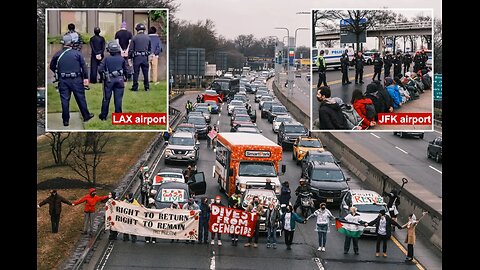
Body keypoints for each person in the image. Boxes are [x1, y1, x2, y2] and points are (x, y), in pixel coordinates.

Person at [49, 34, 94, 126]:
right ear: (72, 43)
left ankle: (65, 120)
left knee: (65, 100)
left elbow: (52, 66)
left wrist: (59, 73)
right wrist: (85, 78)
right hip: (76, 80)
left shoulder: (57, 54)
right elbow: (84, 68)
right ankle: (86, 116)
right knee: (80, 98)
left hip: (63, 80)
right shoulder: (77, 54)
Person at [98, 41, 128, 121]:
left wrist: (102, 77)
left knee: (106, 98)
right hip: (120, 80)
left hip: (109, 80)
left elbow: (100, 69)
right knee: (118, 99)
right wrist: (126, 79)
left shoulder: (106, 59)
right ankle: (118, 116)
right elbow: (126, 70)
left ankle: (103, 115)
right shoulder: (122, 59)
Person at [128, 23, 151, 91]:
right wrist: (148, 56)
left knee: (136, 73)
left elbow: (131, 49)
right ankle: (146, 87)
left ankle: (135, 87)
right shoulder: (148, 38)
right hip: (145, 58)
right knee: (145, 73)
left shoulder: (134, 38)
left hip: (137, 58)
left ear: (137, 30)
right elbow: (150, 49)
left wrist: (129, 58)